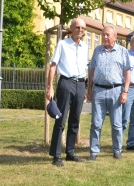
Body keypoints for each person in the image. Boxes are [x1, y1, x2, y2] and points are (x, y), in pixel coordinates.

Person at [46, 18, 89, 167]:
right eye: (77, 27)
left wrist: (85, 87)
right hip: (65, 83)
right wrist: (50, 87)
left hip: (80, 84)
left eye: (83, 28)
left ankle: (70, 152)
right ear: (71, 28)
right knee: (61, 120)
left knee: (75, 120)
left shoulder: (85, 47)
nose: (80, 30)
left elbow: (85, 68)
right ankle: (56, 155)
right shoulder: (62, 44)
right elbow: (53, 66)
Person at [87, 26, 130, 161]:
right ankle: (94, 152)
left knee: (117, 124)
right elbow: (92, 70)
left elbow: (127, 73)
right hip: (98, 90)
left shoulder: (123, 51)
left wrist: (125, 91)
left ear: (115, 37)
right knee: (96, 123)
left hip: (116, 91)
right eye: (103, 35)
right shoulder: (97, 51)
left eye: (107, 35)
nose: (105, 37)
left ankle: (117, 150)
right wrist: (89, 89)